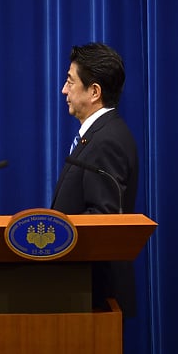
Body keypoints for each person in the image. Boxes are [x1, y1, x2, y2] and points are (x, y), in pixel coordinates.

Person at [51, 42, 139, 316]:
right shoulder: (100, 135)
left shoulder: (106, 141)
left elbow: (102, 219)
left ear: (94, 92)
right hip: (84, 295)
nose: (64, 90)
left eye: (70, 81)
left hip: (93, 298)